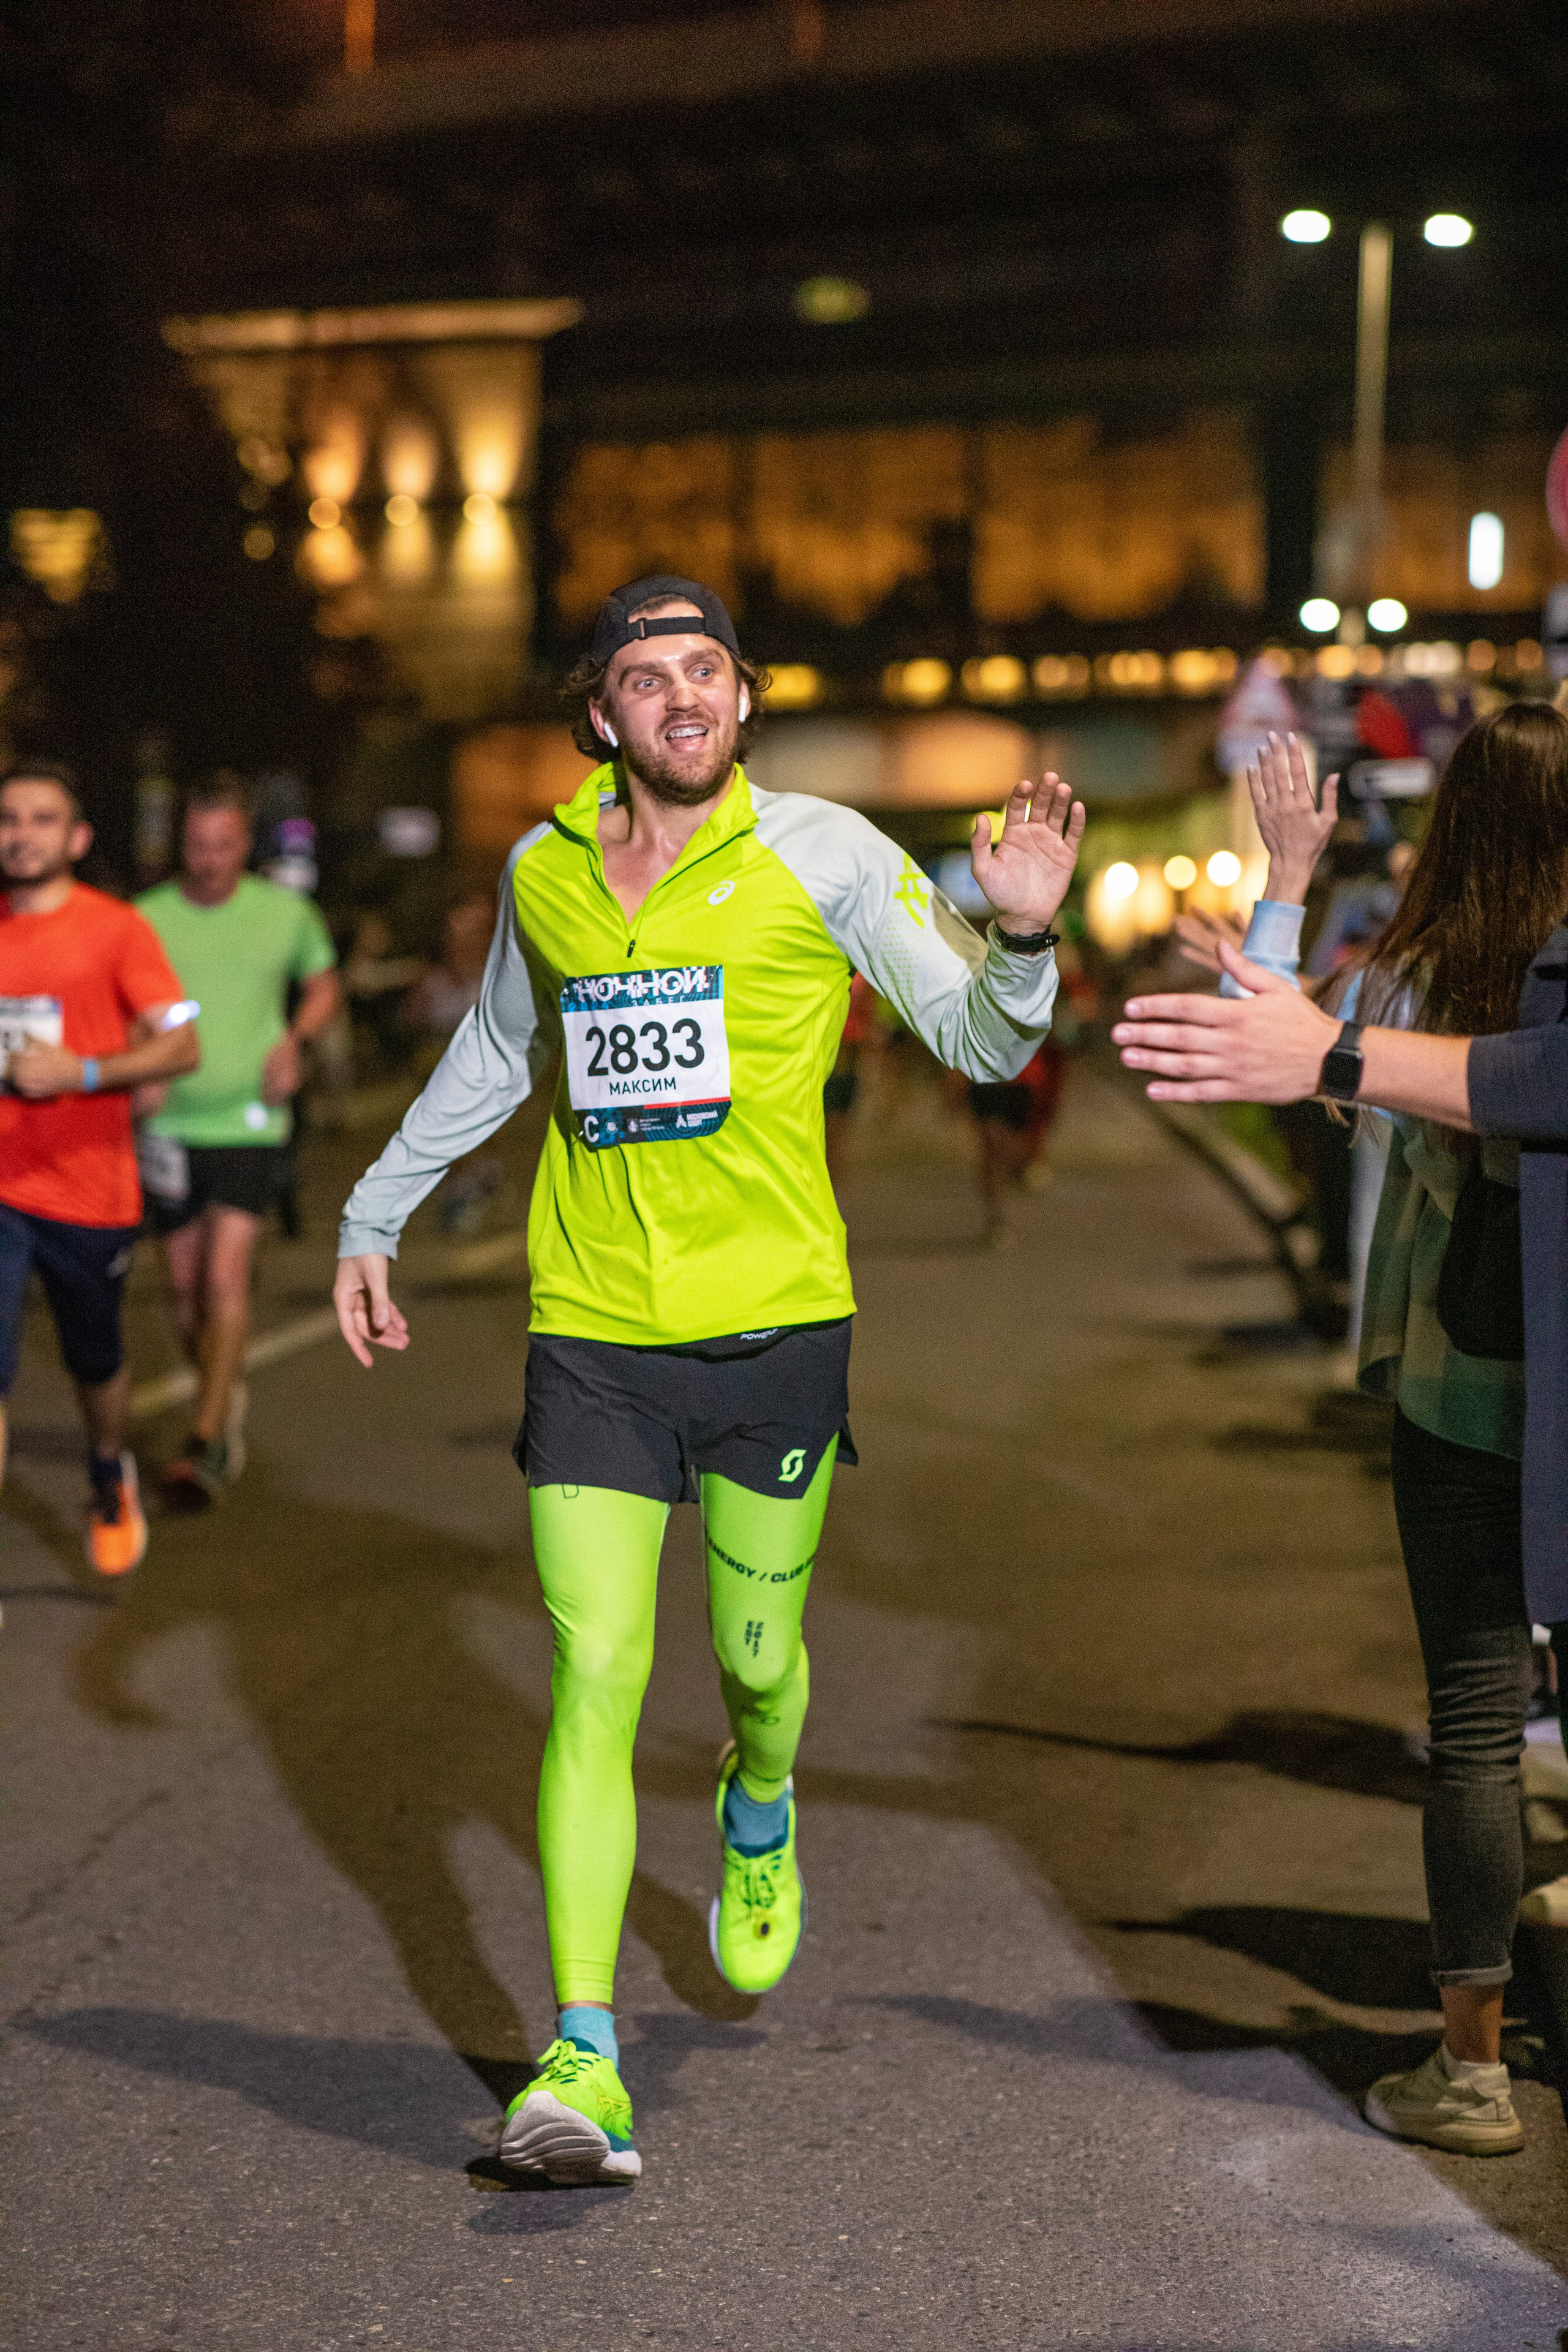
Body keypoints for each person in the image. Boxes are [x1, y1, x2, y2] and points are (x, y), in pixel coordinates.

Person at [333, 575, 1083, 2186]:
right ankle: (579, 2055)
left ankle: (761, 1790)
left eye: (708, 670)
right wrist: (373, 1208)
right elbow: (497, 1048)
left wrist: (1021, 931)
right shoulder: (544, 869)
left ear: (743, 700)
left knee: (755, 1656)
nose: (681, 695)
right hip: (594, 1324)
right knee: (594, 1667)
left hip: (773, 1331)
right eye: (643, 674)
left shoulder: (828, 857)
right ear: (602, 711)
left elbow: (983, 1046)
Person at [1115, 703, 1568, 2158]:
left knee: (1473, 1731)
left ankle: (1469, 2068)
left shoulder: (1426, 974)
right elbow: (1298, 1045)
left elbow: (1289, 1044)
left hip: (1458, 1397)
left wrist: (1288, 870)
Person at [0, 761, 198, 1574]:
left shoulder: (115, 929)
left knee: (95, 1357)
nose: (22, 834)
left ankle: (108, 1465)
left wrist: (80, 1073)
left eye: (43, 819)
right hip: (2, 1186)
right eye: (9, 819)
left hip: (88, 1189)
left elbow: (182, 1042)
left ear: (76, 838)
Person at [136, 774, 339, 1504]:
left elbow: (323, 985)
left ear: (243, 843)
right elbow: (120, 1002)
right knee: (183, 1291)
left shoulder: (283, 914)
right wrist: (137, 1066)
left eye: (223, 845)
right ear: (179, 843)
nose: (210, 859)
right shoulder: (146, 917)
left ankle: (209, 1430)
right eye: (197, 845)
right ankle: (221, 1386)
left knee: (224, 1277)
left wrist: (295, 1039)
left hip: (252, 1120)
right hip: (167, 1124)